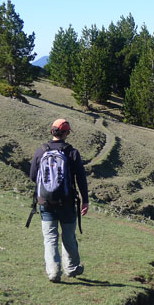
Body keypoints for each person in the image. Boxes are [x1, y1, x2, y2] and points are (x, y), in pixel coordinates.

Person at [29, 118, 89, 282]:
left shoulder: (41, 151)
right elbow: (81, 179)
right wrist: (85, 200)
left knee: (50, 238)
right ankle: (71, 268)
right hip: (67, 203)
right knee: (68, 236)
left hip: (45, 202)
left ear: (52, 131)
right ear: (66, 133)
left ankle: (54, 272)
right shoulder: (72, 153)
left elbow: (33, 176)